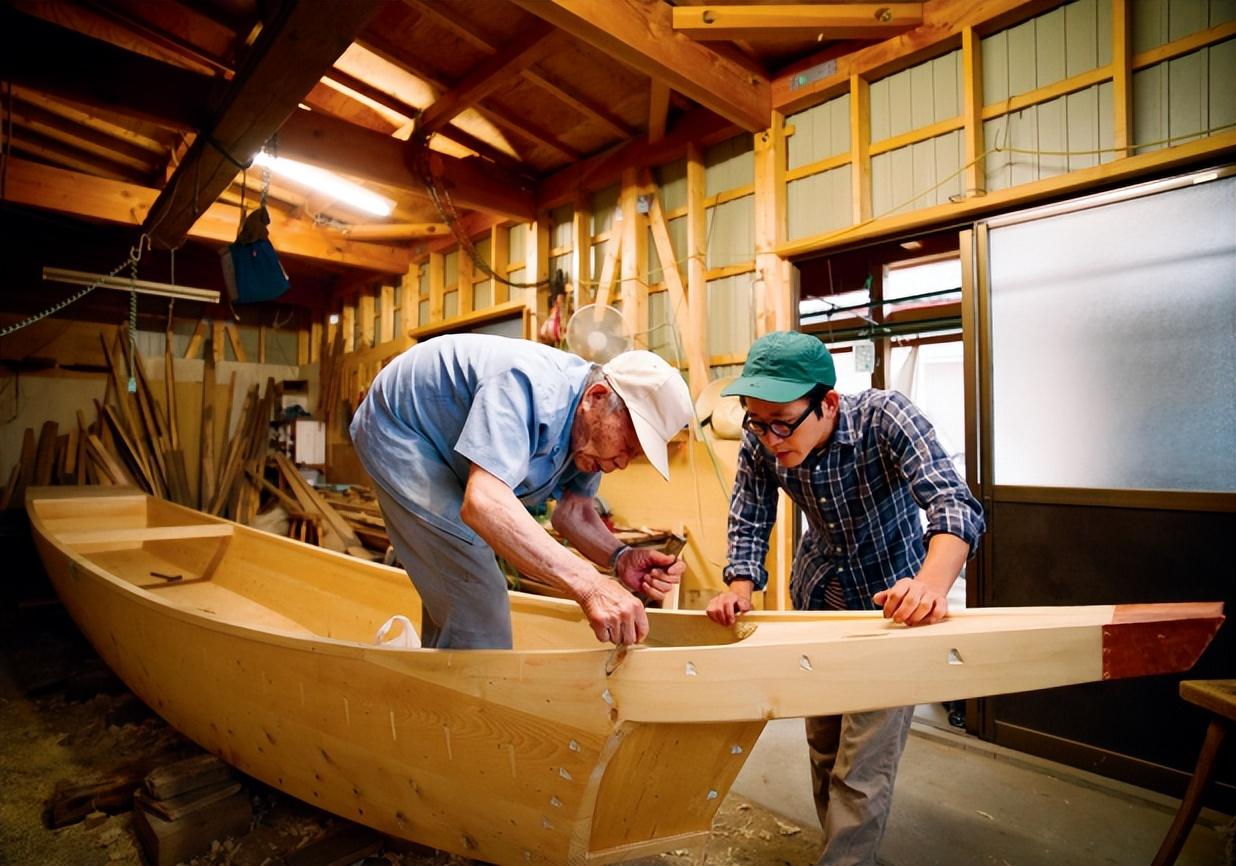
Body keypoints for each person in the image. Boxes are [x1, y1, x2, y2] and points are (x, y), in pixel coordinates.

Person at [706, 331, 985, 866]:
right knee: (825, 750)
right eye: (756, 422)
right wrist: (739, 587)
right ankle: (840, 853)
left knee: (862, 768)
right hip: (818, 603)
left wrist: (929, 585)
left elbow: (954, 503)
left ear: (827, 402)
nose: (769, 438)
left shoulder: (887, 418)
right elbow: (749, 513)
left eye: (782, 422)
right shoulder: (762, 436)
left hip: (894, 608)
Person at [350, 334, 692, 650]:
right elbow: (483, 503)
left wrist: (619, 557)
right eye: (627, 446)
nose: (622, 463)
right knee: (477, 593)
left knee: (457, 584)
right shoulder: (524, 382)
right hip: (400, 424)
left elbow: (573, 513)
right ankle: (475, 711)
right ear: (596, 397)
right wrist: (592, 585)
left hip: (449, 448)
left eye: (635, 456)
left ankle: (440, 687)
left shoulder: (590, 432)